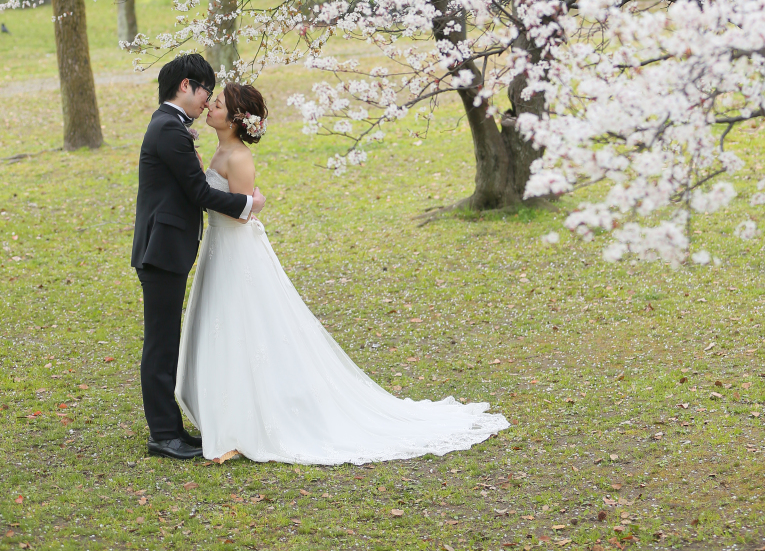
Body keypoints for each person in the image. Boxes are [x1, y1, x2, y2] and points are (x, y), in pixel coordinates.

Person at [176, 82, 508, 464]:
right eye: (212, 103)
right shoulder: (220, 149)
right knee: (224, 327)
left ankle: (245, 423)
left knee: (242, 325)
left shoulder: (238, 158)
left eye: (217, 105)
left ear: (236, 120)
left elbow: (242, 209)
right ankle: (228, 414)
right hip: (219, 248)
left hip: (235, 249)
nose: (210, 108)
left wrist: (253, 203)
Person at [131, 53, 266, 460]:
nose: (208, 101)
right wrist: (247, 204)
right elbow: (199, 193)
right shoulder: (169, 129)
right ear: (186, 85)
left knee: (166, 341)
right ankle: (163, 435)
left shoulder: (171, 126)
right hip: (161, 250)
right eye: (206, 90)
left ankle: (171, 429)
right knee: (160, 344)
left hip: (168, 247)